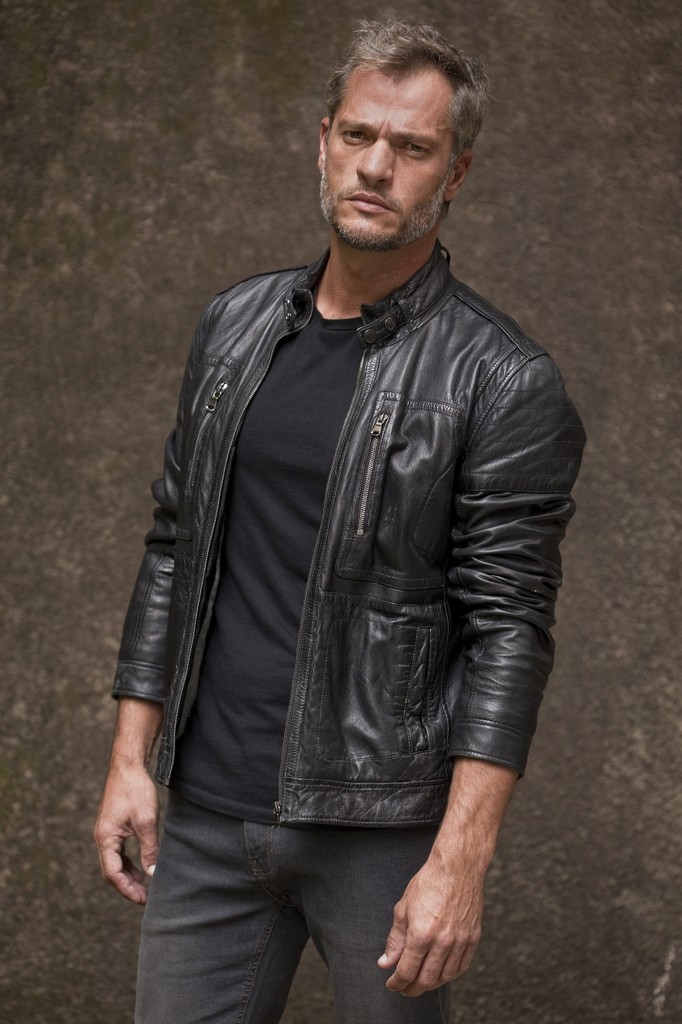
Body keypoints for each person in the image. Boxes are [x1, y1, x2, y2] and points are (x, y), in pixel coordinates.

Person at [94, 18, 585, 1024]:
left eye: (412, 147)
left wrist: (460, 860)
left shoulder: (502, 378)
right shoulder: (233, 326)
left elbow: (508, 633)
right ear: (323, 139)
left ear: (455, 173)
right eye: (358, 134)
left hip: (381, 831)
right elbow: (174, 545)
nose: (375, 166)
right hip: (208, 814)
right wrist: (130, 761)